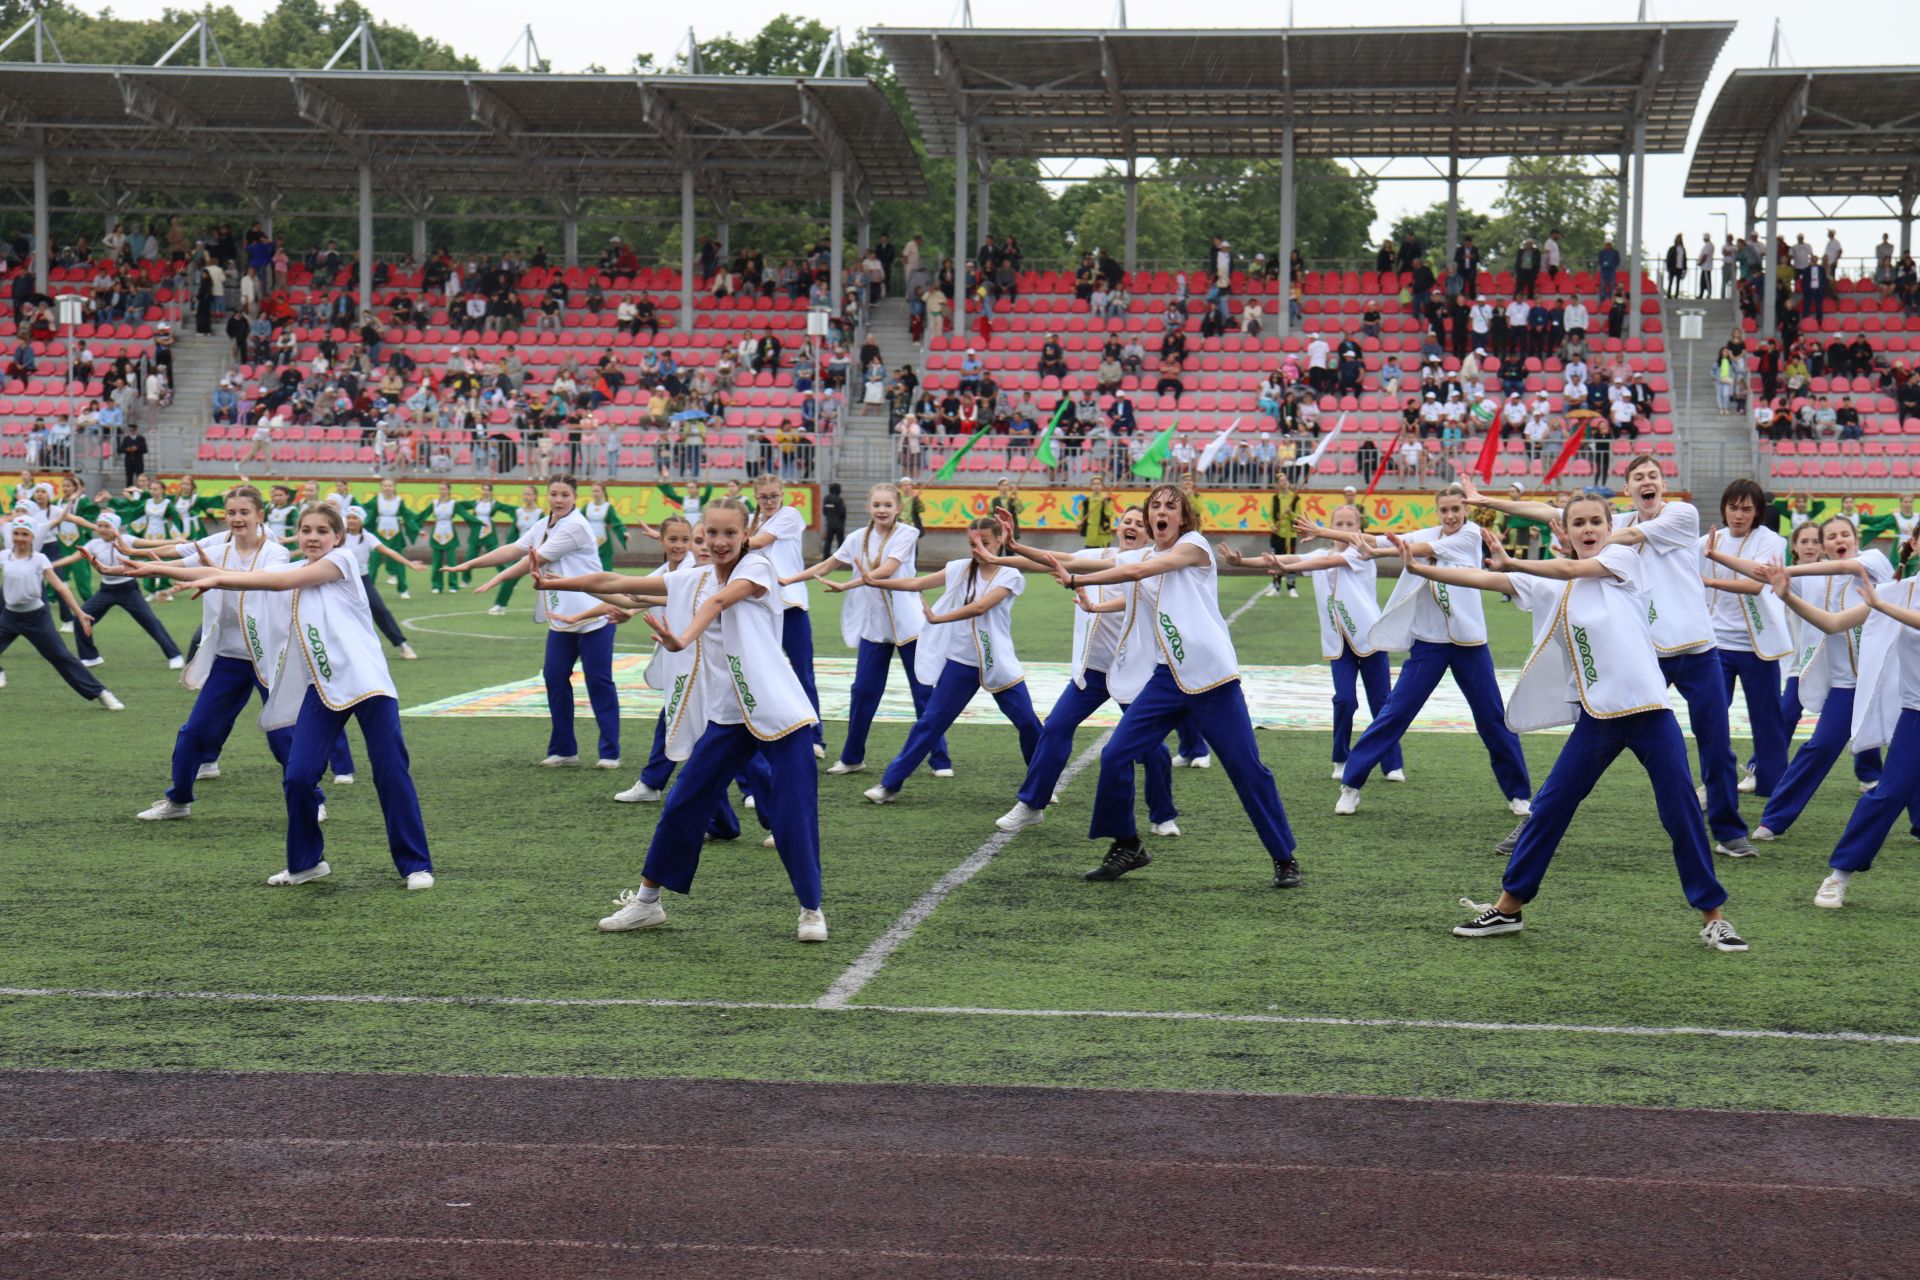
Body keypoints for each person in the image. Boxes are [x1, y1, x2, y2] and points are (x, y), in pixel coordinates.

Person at [1410, 508, 1747, 953]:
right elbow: (1486, 579)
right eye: (1579, 523)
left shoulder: (1623, 563)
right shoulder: (1552, 586)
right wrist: (1419, 568)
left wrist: (1512, 562)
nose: (1589, 529)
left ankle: (1714, 918)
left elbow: (1566, 567)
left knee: (1680, 811)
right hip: (1598, 718)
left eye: (1596, 522)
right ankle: (1508, 908)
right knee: (1549, 807)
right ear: (1564, 531)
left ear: (1609, 530)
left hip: (1650, 713)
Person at [1461, 459, 1756, 857]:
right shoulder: (1614, 521)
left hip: (1698, 651)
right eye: (1639, 478)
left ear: (1663, 484)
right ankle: (1534, 823)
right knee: (1583, 746)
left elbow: (1619, 532)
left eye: (1652, 476)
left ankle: (1728, 832)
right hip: (1645, 656)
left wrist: (1584, 535)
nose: (1647, 482)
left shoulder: (1680, 515)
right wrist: (1487, 501)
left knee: (1717, 746)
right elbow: (1553, 514)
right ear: (1627, 488)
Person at [133, 503, 433, 888]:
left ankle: (415, 865)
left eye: (322, 531)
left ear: (337, 537)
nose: (312, 537)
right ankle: (307, 863)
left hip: (368, 686)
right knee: (298, 776)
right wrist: (155, 568)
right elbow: (227, 573)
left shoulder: (340, 562)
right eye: (306, 530)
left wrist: (217, 578)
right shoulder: (292, 570)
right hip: (321, 689)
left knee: (391, 773)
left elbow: (269, 582)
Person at [574, 497, 826, 943]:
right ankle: (647, 903)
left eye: (730, 533)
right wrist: (551, 580)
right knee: (683, 802)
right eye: (712, 533)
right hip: (729, 715)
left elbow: (718, 603)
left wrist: (681, 639)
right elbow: (616, 579)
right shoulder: (694, 577)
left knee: (793, 812)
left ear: (746, 535)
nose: (720, 541)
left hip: (781, 712)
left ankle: (810, 910)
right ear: (702, 536)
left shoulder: (759, 568)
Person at [1034, 484, 1302, 887]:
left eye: (1169, 507)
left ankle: (1285, 858)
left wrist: (1074, 581)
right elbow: (1074, 558)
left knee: (1247, 769)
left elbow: (1133, 571)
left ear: (1184, 518)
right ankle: (1127, 844)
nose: (1160, 512)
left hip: (1212, 679)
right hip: (1166, 677)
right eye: (1154, 506)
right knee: (1116, 755)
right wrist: (1010, 548)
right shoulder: (1146, 553)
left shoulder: (1195, 546)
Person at [127, 486, 357, 821]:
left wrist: (212, 576)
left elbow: (259, 580)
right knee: (195, 731)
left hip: (268, 658)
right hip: (229, 658)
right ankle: (179, 800)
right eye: (231, 512)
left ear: (259, 516)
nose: (237, 519)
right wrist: (135, 567)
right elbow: (182, 564)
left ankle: (313, 799)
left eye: (244, 512)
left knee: (283, 733)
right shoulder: (218, 551)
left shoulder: (275, 553)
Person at [1318, 485, 1532, 816]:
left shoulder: (1471, 535)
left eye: (1455, 510)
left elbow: (1417, 547)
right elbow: (1381, 540)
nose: (1450, 516)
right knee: (1395, 712)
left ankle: (1518, 794)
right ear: (1437, 511)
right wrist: (1327, 532)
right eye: (1444, 510)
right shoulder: (1429, 531)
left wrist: (1380, 552)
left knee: (1492, 718)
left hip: (1469, 644)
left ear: (1465, 511)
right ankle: (1351, 784)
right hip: (1428, 646)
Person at [992, 506, 1181, 837]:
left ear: (1149, 534)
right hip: (1091, 672)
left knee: (1153, 748)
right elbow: (1050, 559)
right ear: (1117, 527)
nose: (1132, 527)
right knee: (1055, 729)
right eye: (1127, 522)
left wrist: (1095, 605)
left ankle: (1163, 815)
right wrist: (1002, 556)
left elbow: (1131, 597)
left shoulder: (1152, 565)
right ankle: (1031, 805)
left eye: (1140, 523)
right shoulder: (1096, 555)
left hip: (1132, 671)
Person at [1713, 518, 1894, 843]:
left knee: (1908, 751)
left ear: (1856, 539)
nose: (1839, 540)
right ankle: (1774, 820)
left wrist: (1788, 573)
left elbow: (1842, 568)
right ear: (1824, 545)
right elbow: (1760, 571)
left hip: (1889, 682)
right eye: (1831, 537)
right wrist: (1715, 555)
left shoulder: (1874, 562)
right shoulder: (1813, 582)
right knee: (1819, 747)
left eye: (1845, 534)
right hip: (1846, 686)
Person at [860, 516, 1043, 804]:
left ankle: (1042, 783)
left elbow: (981, 606)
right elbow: (918, 581)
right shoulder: (959, 568)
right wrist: (875, 580)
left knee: (1028, 723)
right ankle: (889, 785)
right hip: (961, 661)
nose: (978, 548)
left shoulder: (1010, 574)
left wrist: (937, 618)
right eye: (973, 543)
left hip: (998, 661)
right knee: (930, 722)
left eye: (985, 543)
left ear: (999, 542)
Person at [1221, 503, 1404, 784]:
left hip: (1370, 640)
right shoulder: (1318, 553)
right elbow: (1284, 558)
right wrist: (1242, 562)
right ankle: (1341, 757)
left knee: (1382, 703)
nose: (1343, 530)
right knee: (1344, 700)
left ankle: (1391, 763)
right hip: (1338, 643)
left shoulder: (1362, 554)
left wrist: (1291, 562)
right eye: (1338, 524)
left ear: (1359, 530)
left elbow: (1323, 563)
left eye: (1349, 525)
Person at [782, 483, 952, 778]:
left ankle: (939, 759)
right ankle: (852, 757)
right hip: (875, 626)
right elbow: (828, 564)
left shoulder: (907, 534)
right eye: (877, 505)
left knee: (923, 691)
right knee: (862, 692)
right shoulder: (856, 538)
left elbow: (886, 571)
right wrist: (789, 580)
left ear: (898, 508)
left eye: (888, 505)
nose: (882, 510)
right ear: (868, 507)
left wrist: (847, 585)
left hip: (909, 624)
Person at [455, 476, 622, 769]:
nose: (559, 499)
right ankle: (564, 750)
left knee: (599, 682)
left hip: (596, 613)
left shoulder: (576, 526)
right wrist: (471, 563)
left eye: (565, 494)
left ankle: (610, 752)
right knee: (554, 677)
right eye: (555, 494)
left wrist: (497, 578)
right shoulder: (545, 523)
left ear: (575, 497)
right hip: (561, 619)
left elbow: (534, 560)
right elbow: (514, 549)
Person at [1805, 565, 1920, 908]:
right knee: (1888, 794)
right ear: (1914, 545)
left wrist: (1882, 606)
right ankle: (1838, 875)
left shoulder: (1886, 601)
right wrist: (1784, 592)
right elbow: (1833, 623)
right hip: (1917, 714)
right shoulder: (1895, 593)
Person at [1698, 480, 1792, 800]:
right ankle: (1715, 785)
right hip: (1715, 646)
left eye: (1746, 509)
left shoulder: (1771, 541)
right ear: (1724, 509)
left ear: (1758, 513)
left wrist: (1710, 579)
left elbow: (1759, 582)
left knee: (1767, 721)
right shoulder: (1709, 540)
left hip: (1757, 645)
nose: (1738, 515)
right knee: (1710, 717)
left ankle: (1773, 788)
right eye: (1733, 507)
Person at [0, 517, 123, 709]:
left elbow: (61, 588)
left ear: (32, 537)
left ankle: (101, 692)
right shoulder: (4, 556)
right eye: (16, 533)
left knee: (61, 657)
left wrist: (80, 613)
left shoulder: (40, 559)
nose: (20, 538)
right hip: (9, 617)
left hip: (36, 618)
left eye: (25, 534)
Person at [65, 513, 185, 671]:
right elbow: (74, 557)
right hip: (106, 590)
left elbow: (152, 543)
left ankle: (175, 656)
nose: (102, 529)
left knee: (150, 622)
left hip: (128, 589)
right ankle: (90, 657)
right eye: (99, 525)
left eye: (106, 526)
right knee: (81, 617)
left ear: (115, 528)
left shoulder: (127, 540)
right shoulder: (94, 543)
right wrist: (52, 566)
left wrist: (177, 541)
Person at [342, 507, 423, 661]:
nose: (351, 520)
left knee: (379, 609)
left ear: (362, 521)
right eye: (349, 517)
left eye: (355, 517)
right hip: (339, 581)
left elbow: (388, 551)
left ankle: (402, 644)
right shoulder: (338, 536)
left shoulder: (368, 537)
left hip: (362, 580)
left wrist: (409, 563)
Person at [359, 479, 419, 598]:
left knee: (398, 563)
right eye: (385, 486)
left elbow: (407, 516)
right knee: (374, 563)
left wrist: (416, 529)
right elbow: (366, 510)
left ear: (394, 487)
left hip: (395, 534)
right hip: (379, 533)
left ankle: (403, 589)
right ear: (381, 487)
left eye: (390, 486)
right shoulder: (377, 499)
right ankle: (367, 589)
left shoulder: (399, 501)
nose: (387, 488)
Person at [490, 484, 544, 615]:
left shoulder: (540, 513)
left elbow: (545, 534)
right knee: (509, 578)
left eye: (529, 494)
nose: (526, 497)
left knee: (548, 581)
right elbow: (513, 533)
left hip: (538, 554)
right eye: (524, 494)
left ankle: (556, 609)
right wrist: (509, 552)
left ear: (535, 496)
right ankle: (500, 605)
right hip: (521, 552)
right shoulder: (518, 512)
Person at [423, 481, 468, 594]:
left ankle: (453, 585)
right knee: (437, 562)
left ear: (449, 490)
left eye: (444, 489)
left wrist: (478, 522)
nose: (442, 491)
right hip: (437, 532)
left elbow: (465, 515)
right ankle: (436, 585)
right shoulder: (434, 503)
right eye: (440, 489)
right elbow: (422, 515)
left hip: (449, 533)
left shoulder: (453, 503)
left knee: (452, 561)